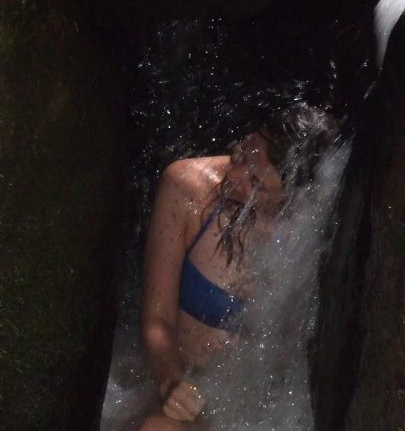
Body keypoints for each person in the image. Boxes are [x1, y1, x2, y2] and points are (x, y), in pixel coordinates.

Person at [137, 104, 340, 431]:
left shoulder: (312, 237)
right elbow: (156, 320)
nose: (234, 176)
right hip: (186, 391)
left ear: (295, 195)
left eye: (256, 183)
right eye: (242, 154)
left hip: (262, 413)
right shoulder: (186, 188)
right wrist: (170, 381)